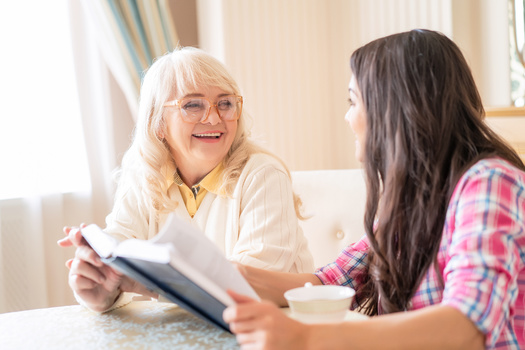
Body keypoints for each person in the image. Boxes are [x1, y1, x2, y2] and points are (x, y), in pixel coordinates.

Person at [222, 29, 525, 349]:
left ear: (396, 107)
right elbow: (328, 282)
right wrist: (231, 275)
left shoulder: (490, 182)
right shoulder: (414, 198)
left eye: (353, 101)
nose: (347, 116)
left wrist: (306, 337)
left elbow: (466, 326)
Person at [57, 47, 314, 312]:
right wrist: (99, 286)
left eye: (225, 103)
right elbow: (120, 241)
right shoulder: (142, 174)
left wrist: (139, 282)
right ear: (157, 123)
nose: (214, 118)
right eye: (193, 105)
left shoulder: (263, 175)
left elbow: (247, 288)